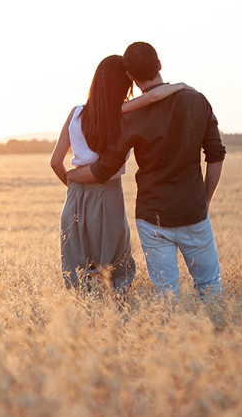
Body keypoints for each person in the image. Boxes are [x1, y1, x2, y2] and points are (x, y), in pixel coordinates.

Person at [67, 42, 226, 301]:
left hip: (152, 218)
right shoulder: (197, 100)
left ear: (130, 76)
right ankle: (215, 337)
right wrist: (204, 200)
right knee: (209, 286)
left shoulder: (131, 116)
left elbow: (104, 169)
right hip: (193, 212)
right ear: (159, 64)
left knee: (166, 296)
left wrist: (71, 175)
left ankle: (168, 340)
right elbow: (216, 155)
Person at [50, 55, 186, 294]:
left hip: (76, 196)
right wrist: (182, 86)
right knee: (116, 269)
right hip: (109, 195)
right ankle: (116, 322)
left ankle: (82, 322)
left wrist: (73, 184)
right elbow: (153, 96)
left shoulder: (75, 113)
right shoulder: (121, 112)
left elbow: (54, 162)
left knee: (78, 269)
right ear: (124, 84)